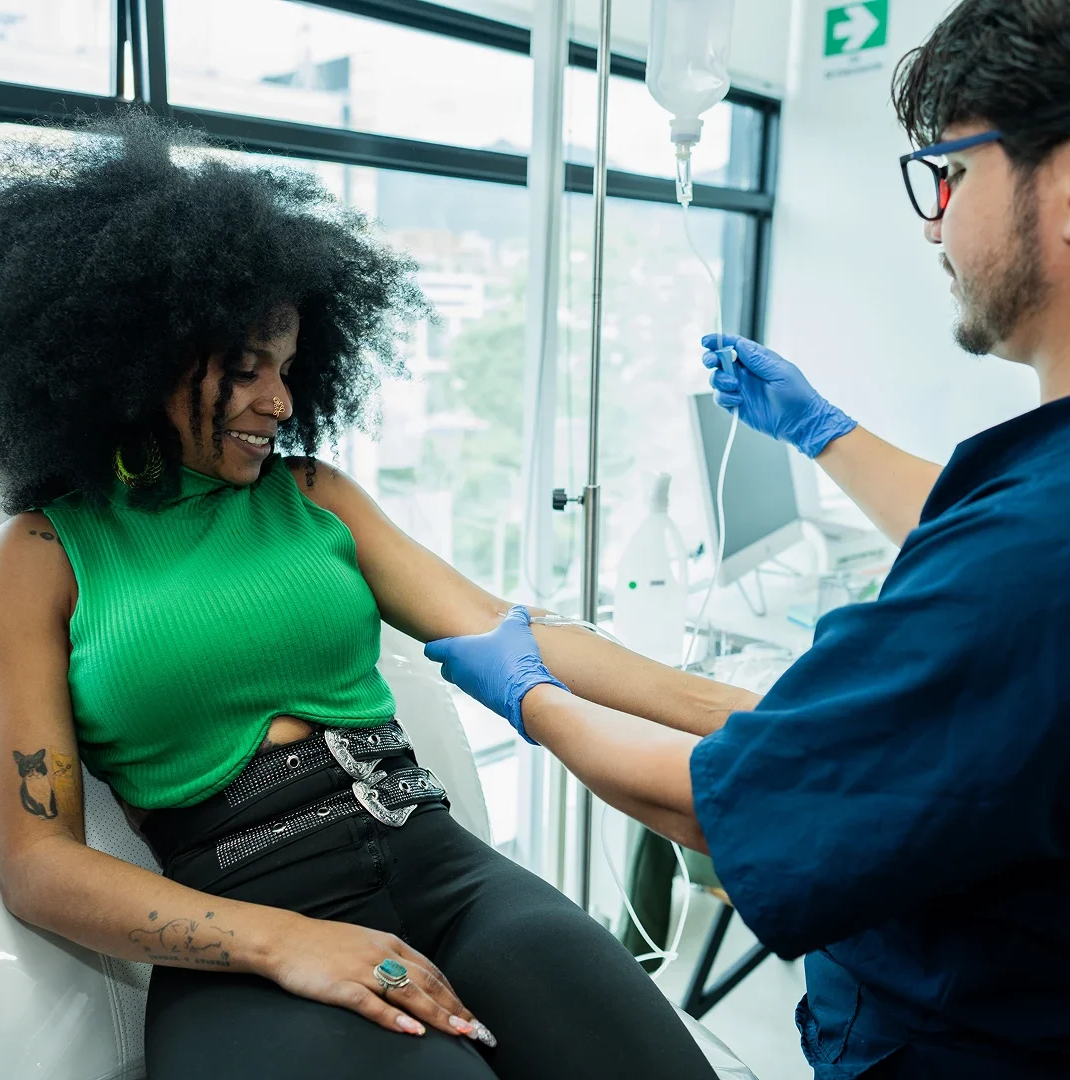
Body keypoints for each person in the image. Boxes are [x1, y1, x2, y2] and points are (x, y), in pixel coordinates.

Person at [0, 111, 736, 1080]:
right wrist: (280, 942)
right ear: (138, 358)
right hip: (239, 916)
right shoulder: (45, 553)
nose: (283, 404)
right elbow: (37, 864)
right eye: (247, 370)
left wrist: (760, 713)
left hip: (439, 866)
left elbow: (516, 636)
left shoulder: (315, 498)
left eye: (290, 370)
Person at [423, 3, 1070, 1077]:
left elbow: (715, 802)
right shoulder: (1031, 510)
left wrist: (528, 694)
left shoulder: (1027, 562)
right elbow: (991, 536)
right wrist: (821, 430)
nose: (931, 224)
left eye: (947, 176)